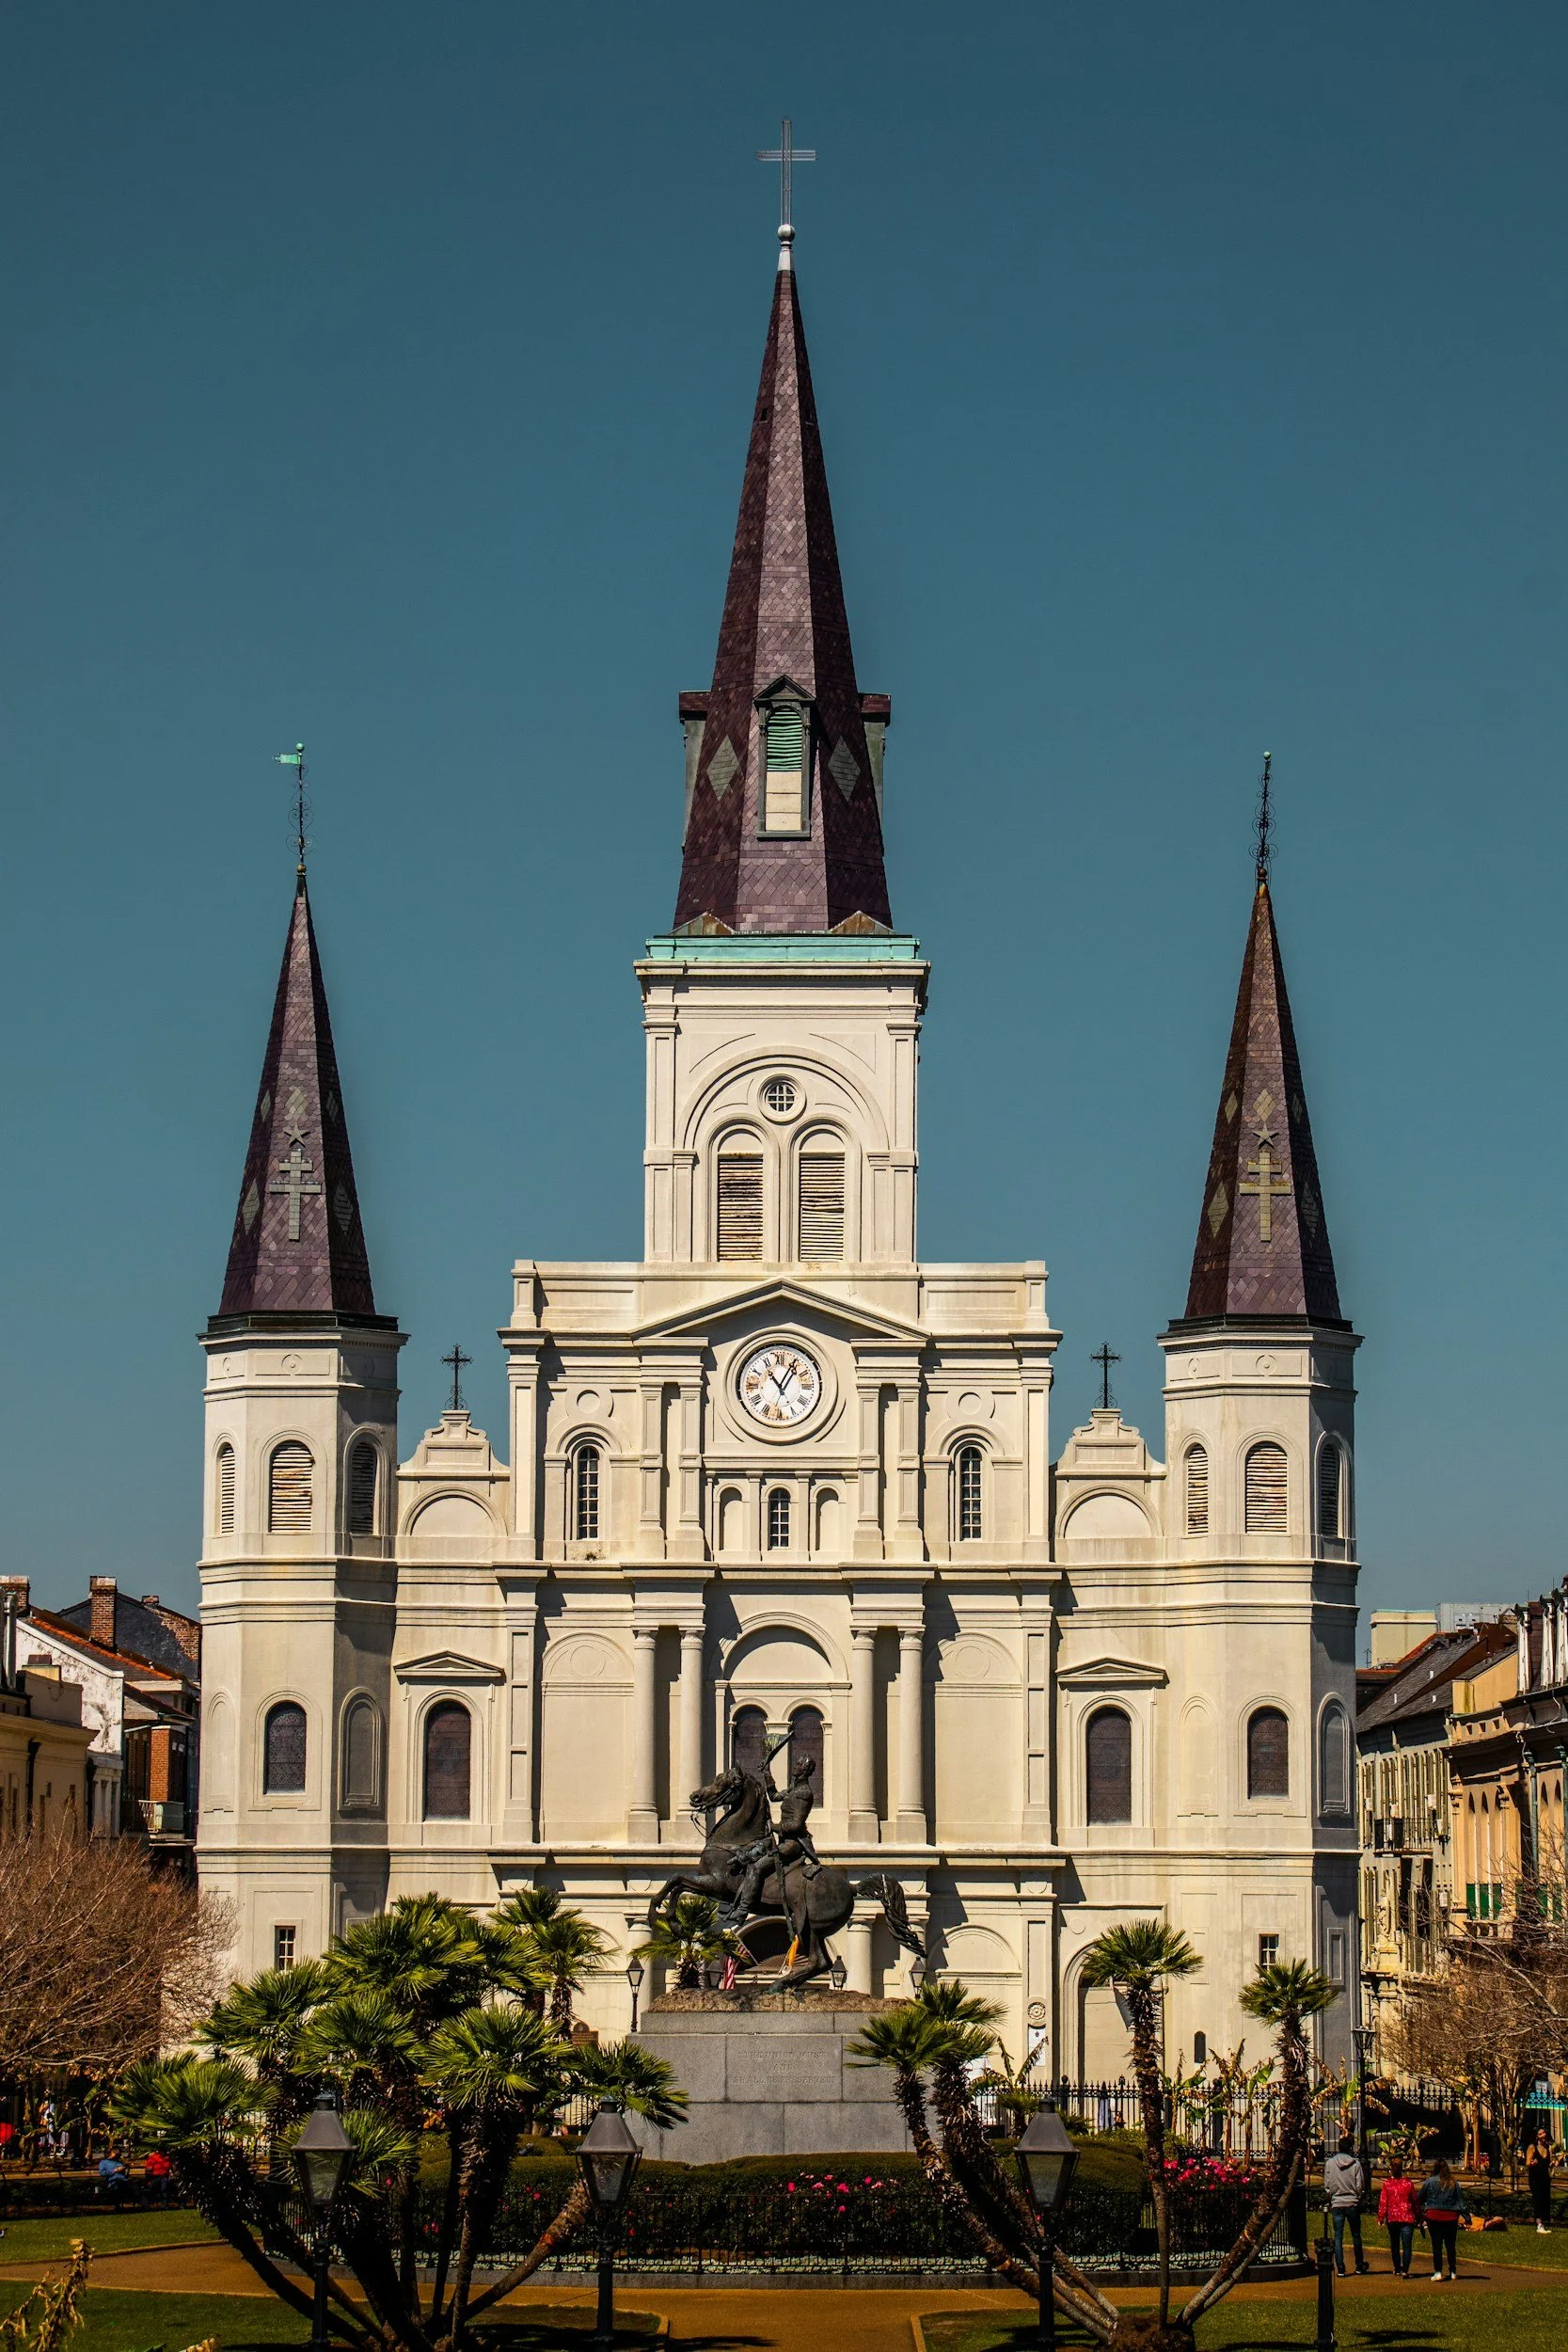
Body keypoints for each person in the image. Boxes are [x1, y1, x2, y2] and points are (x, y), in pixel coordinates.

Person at [1323, 2135, 1370, 2275]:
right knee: (1356, 2235)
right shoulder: (1355, 2164)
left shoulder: (1330, 2164)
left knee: (1338, 2236)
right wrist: (1357, 2196)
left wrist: (1332, 2196)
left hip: (1337, 2202)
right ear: (1350, 2148)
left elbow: (1327, 2185)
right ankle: (1359, 2264)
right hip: (1352, 2203)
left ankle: (1340, 2267)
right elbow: (1360, 2185)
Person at [1417, 2156, 1469, 2280]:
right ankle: (1453, 2271)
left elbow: (1419, 2198)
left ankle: (1438, 2271)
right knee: (1450, 2245)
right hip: (1451, 2217)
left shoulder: (1429, 2182)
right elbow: (1461, 2202)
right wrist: (1467, 2217)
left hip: (1434, 2216)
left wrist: (1421, 2211)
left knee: (1437, 2245)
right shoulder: (1453, 2182)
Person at [1377, 2153, 1419, 2277]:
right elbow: (1415, 2201)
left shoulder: (1387, 2184)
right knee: (1407, 2246)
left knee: (1394, 2244)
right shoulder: (1408, 2183)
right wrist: (1419, 2216)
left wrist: (1380, 2217)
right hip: (1407, 2217)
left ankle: (1397, 2268)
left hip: (1393, 2218)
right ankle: (1405, 2270)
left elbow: (1383, 2202)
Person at [1525, 2126, 1554, 2233]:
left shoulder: (1547, 2148)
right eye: (1541, 2134)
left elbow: (1549, 2163)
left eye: (1544, 2133)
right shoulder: (1532, 2147)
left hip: (1545, 2178)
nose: (1543, 2135)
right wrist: (1532, 2164)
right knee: (1538, 2199)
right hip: (1535, 2178)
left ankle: (1543, 2224)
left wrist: (1554, 2162)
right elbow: (1527, 2163)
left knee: (1545, 2200)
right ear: (1537, 2136)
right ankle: (1539, 2224)